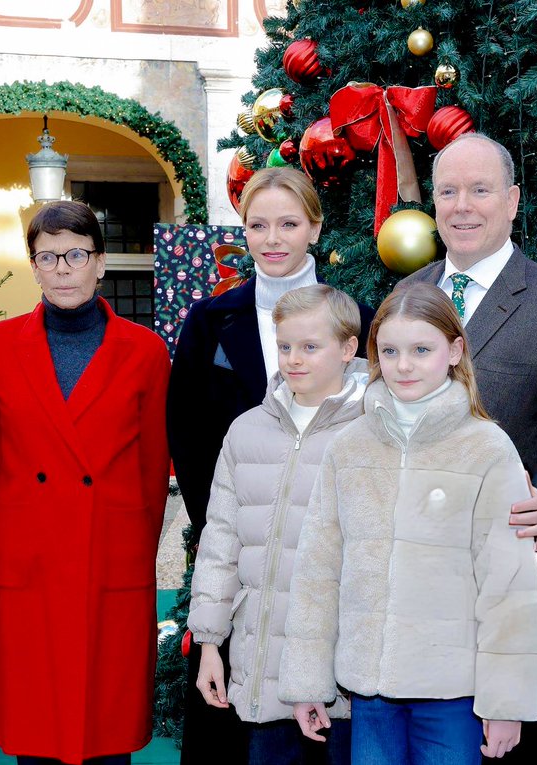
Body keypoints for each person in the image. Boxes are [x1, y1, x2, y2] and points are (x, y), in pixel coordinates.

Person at [399, 132, 537, 761]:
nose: (463, 205)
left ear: (513, 201)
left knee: (503, 745)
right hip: (410, 570)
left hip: (509, 566)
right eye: (449, 190)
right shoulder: (406, 298)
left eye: (480, 190)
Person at [280, 283, 537, 765]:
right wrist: (306, 679)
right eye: (391, 351)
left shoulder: (487, 448)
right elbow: (318, 572)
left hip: (453, 694)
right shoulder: (349, 446)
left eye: (422, 350)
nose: (404, 365)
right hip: (368, 691)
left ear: (454, 350)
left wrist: (506, 702)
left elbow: (509, 585)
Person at [168, 167, 374, 763]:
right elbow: (187, 428)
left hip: (334, 569)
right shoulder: (210, 320)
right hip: (244, 554)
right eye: (258, 225)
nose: (272, 238)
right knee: (242, 725)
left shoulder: (357, 316)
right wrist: (223, 530)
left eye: (288, 223)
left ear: (315, 227)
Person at [0, 200, 171, 765]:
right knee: (35, 734)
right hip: (25, 564)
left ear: (100, 263)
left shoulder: (147, 351)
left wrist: (135, 555)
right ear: (33, 265)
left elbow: (153, 468)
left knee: (107, 733)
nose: (62, 267)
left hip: (109, 559)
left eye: (76, 254)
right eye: (48, 256)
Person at [188, 284, 365, 765]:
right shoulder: (246, 430)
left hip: (342, 675)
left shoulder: (373, 432)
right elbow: (221, 543)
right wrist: (209, 645)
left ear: (348, 348)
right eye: (285, 346)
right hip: (261, 665)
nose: (294, 359)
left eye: (310, 346)